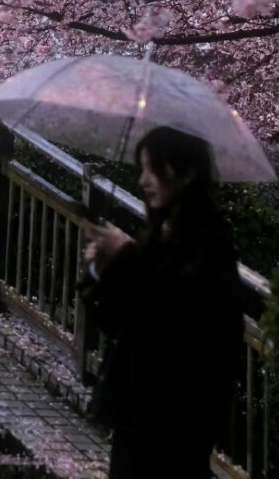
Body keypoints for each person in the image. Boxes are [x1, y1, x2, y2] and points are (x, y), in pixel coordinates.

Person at [81, 126, 243, 479]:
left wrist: (124, 255)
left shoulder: (208, 240)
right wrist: (101, 269)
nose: (144, 180)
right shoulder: (159, 233)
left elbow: (171, 314)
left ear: (185, 174)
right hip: (140, 406)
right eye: (142, 168)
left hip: (179, 411)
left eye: (154, 170)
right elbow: (122, 321)